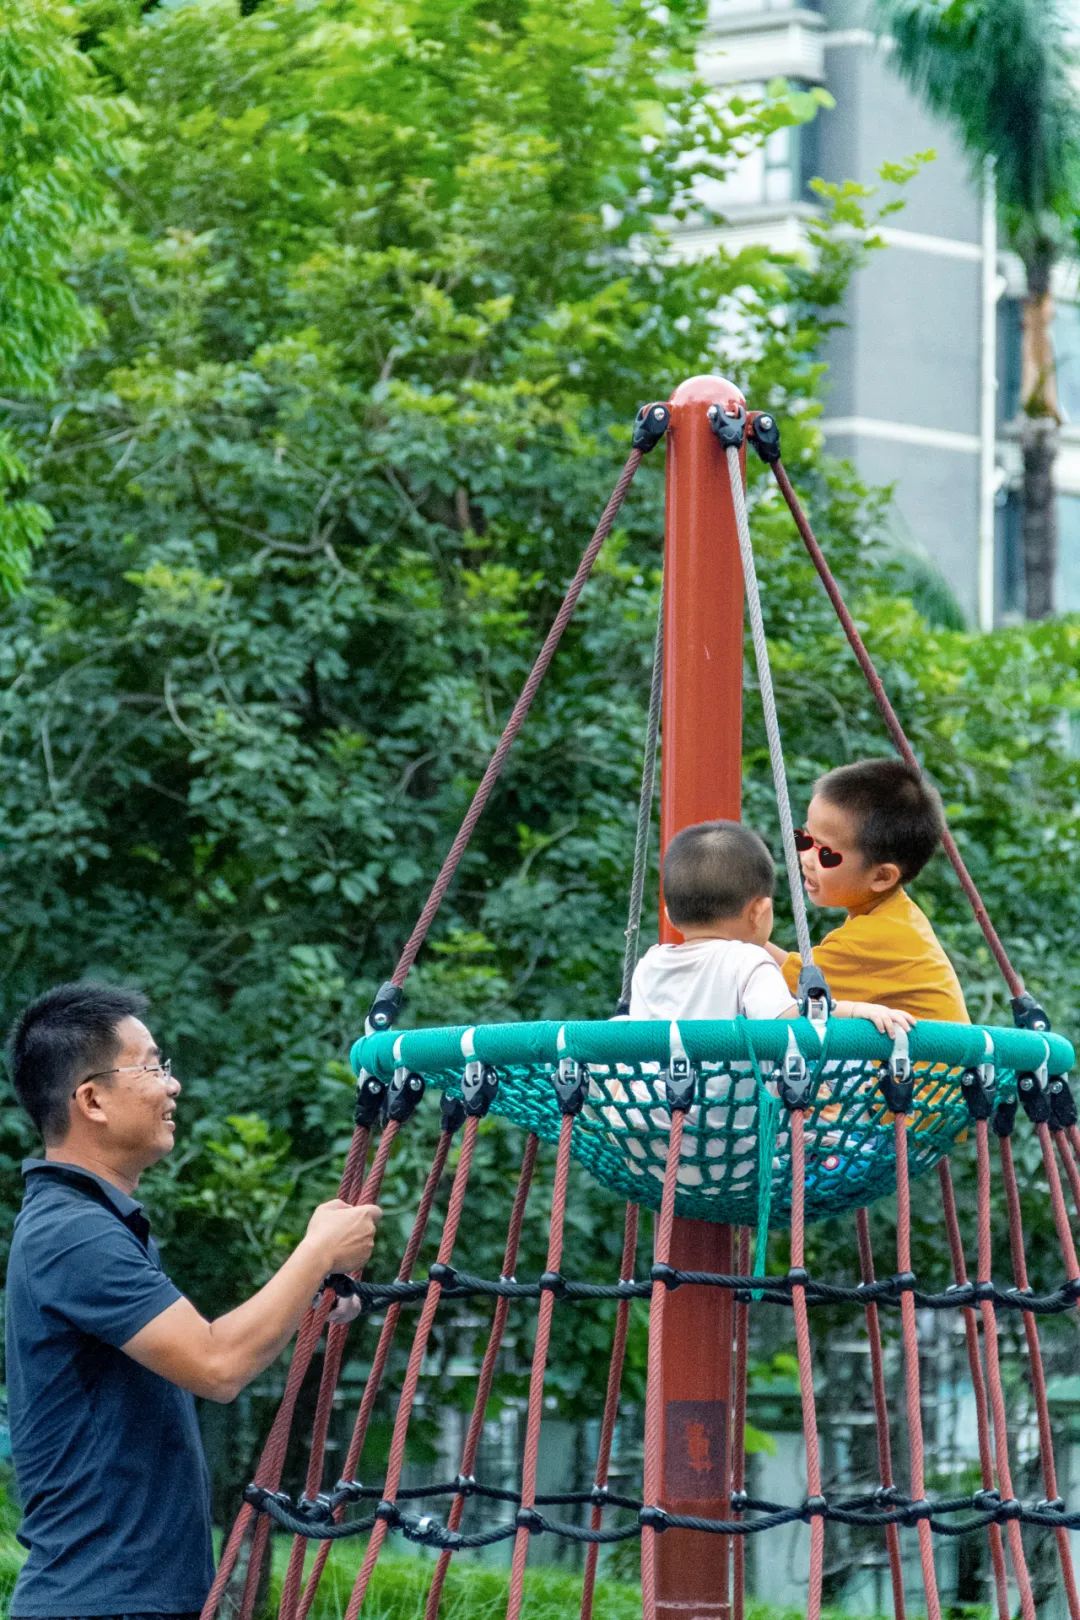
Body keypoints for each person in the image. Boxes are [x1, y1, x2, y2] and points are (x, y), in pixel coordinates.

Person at [4, 981, 381, 1620]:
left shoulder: (88, 1223)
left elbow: (201, 1346)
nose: (172, 1085)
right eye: (151, 1066)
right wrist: (316, 1251)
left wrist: (304, 1295)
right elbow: (217, 1365)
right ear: (91, 1099)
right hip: (104, 1603)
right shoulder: (75, 1234)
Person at [629, 819, 914, 1034]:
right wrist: (856, 1009)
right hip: (726, 1113)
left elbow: (632, 1050)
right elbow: (786, 1017)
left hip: (644, 1111)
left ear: (668, 915)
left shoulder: (649, 964)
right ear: (759, 912)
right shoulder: (748, 960)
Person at [766, 758, 969, 1024]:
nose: (805, 858)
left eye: (824, 851)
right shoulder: (892, 916)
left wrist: (739, 930)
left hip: (929, 1066)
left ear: (882, 876)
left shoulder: (880, 936)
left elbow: (794, 983)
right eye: (806, 838)